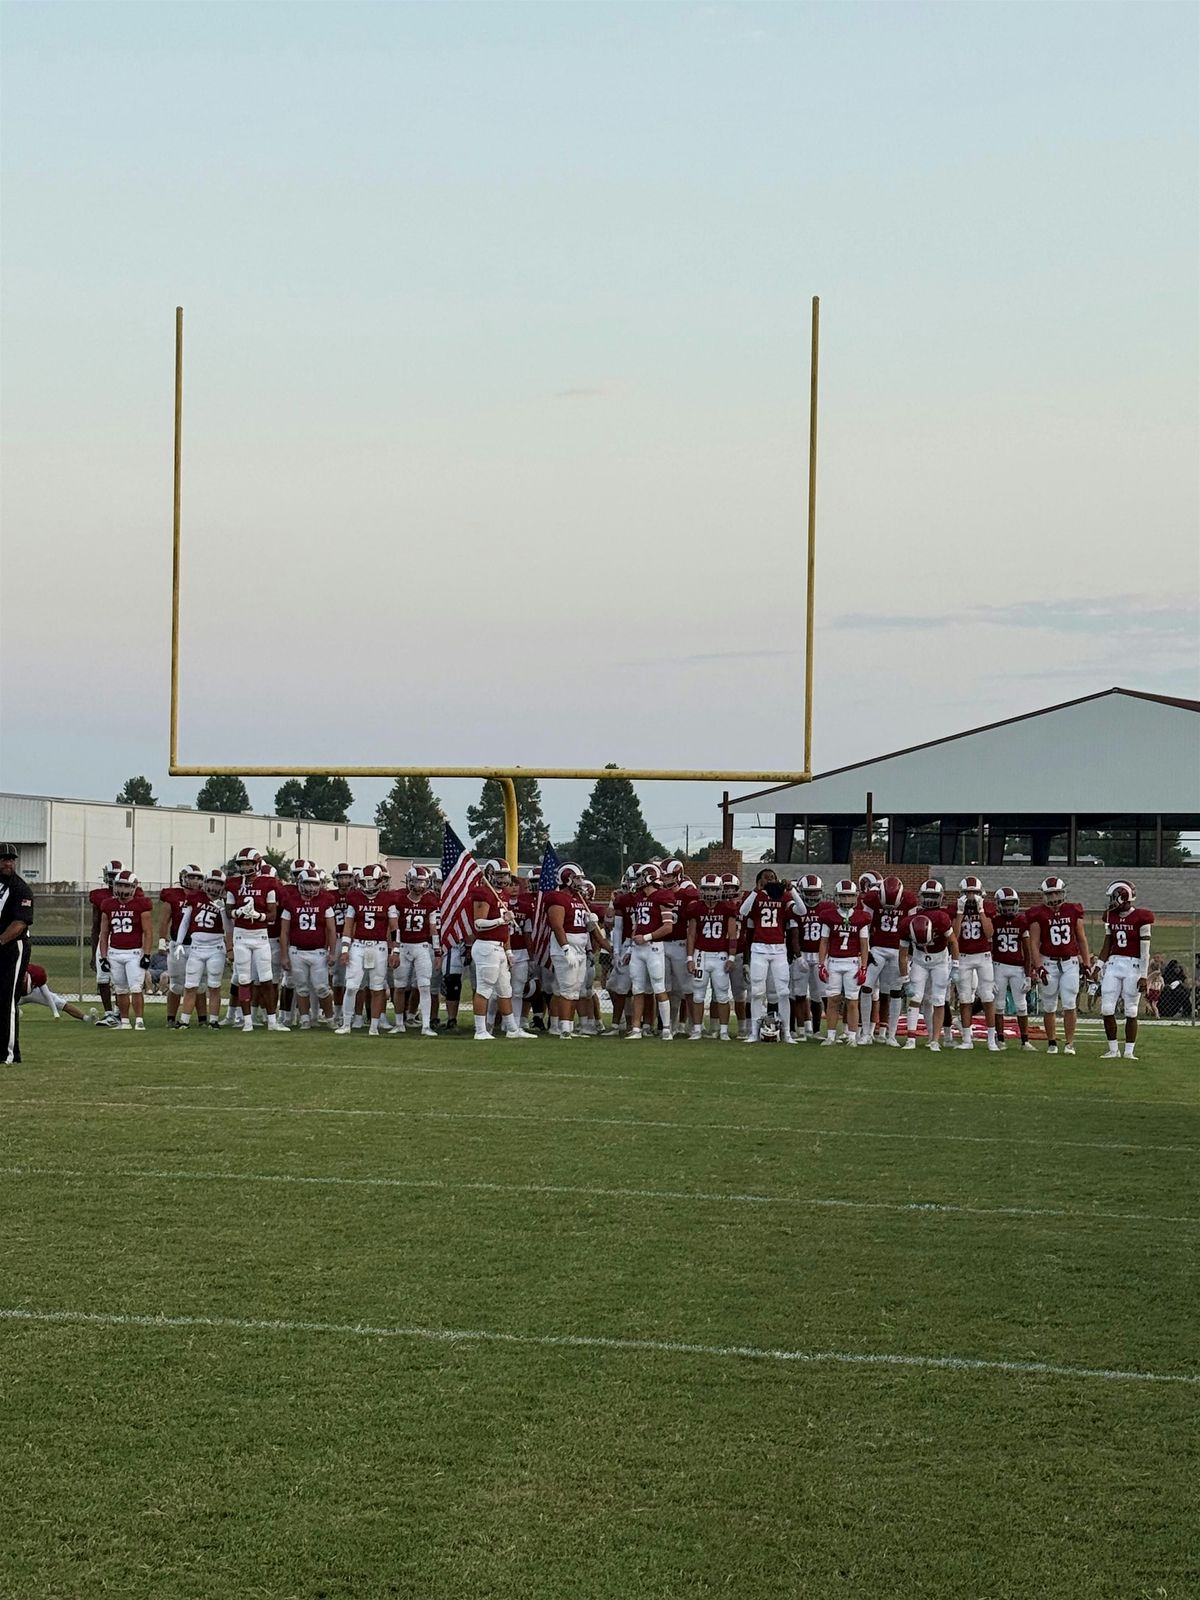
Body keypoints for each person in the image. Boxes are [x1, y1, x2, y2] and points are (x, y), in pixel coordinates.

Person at [1027, 876, 1090, 1056]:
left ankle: (1070, 1043)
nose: (1054, 897)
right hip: (1048, 961)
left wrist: (1086, 963)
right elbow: (1034, 942)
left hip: (1069, 962)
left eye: (1057, 892)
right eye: (1050, 893)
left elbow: (1081, 938)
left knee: (1070, 1003)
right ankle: (1052, 1042)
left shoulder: (1072, 910)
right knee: (1049, 1004)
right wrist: (1038, 966)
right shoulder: (1038, 913)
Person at [1096, 880, 1155, 1061]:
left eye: (1114, 897)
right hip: (1114, 964)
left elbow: (1145, 951)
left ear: (1123, 895)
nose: (1111, 901)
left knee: (1131, 1010)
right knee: (1106, 1008)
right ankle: (1113, 1049)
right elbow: (1108, 943)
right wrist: (1098, 965)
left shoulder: (1142, 917)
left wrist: (1144, 976)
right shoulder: (1110, 916)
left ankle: (1129, 1051)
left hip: (1134, 965)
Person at [98, 869, 154, 1030]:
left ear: (134, 887)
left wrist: (147, 954)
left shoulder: (141, 905)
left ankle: (139, 1021)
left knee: (136, 988)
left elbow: (148, 932)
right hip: (114, 952)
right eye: (119, 885)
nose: (122, 889)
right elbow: (104, 933)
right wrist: (103, 957)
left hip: (134, 953)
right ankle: (124, 1022)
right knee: (120, 990)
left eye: (126, 886)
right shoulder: (108, 905)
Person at [0, 843, 35, 1063]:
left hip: (13, 948)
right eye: (4, 859)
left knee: (6, 999)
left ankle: (9, 1053)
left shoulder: (20, 888)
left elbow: (20, 922)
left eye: (11, 859)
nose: (8, 863)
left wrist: (1, 940)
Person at [20, 962, 90, 1022]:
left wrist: (55, 1013)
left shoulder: (37, 975)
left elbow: (47, 995)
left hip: (34, 992)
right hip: (16, 993)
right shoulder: (14, 972)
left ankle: (86, 1018)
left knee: (59, 1003)